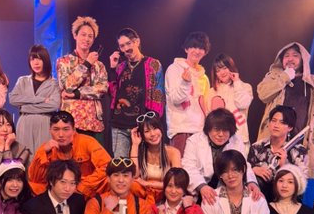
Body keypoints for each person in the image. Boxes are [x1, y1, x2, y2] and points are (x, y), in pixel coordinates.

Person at [257, 42, 314, 177]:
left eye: (295, 55)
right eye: (286, 56)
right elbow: (263, 95)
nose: (290, 59)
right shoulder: (274, 77)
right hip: (274, 142)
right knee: (269, 178)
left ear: (303, 59)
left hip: (303, 146)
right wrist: (285, 77)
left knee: (300, 182)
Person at [181, 108, 261, 205]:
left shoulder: (236, 140)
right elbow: (188, 167)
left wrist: (251, 182)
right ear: (208, 129)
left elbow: (243, 164)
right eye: (216, 129)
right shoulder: (194, 141)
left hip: (226, 189)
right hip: (199, 190)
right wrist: (202, 186)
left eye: (225, 130)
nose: (221, 134)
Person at [107, 28, 165, 158]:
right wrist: (112, 68)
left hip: (142, 126)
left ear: (137, 42)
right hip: (119, 125)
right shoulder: (120, 67)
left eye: (128, 43)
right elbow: (112, 93)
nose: (126, 48)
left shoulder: (153, 64)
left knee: (143, 164)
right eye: (122, 46)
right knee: (122, 165)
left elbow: (158, 95)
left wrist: (150, 125)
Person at [28, 111, 110, 197]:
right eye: (56, 129)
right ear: (50, 131)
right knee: (35, 185)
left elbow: (106, 166)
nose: (60, 135)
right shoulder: (47, 148)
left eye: (66, 129)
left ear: (74, 130)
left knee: (107, 180)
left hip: (86, 191)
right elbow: (34, 178)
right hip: (59, 190)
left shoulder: (88, 142)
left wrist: (82, 186)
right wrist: (44, 152)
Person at [56, 15, 108, 144]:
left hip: (94, 122)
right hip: (72, 120)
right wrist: (86, 64)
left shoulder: (99, 65)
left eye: (90, 36)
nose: (87, 39)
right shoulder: (63, 61)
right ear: (75, 35)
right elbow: (68, 86)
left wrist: (77, 94)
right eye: (83, 35)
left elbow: (102, 89)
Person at [248, 105, 308, 202]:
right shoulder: (257, 147)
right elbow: (244, 173)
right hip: (259, 199)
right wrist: (253, 170)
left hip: (285, 200)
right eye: (273, 120)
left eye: (282, 122)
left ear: (290, 127)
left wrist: (283, 166)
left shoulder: (299, 150)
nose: (276, 125)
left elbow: (301, 184)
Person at [8, 44, 61, 153]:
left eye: (39, 59)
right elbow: (13, 99)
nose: (35, 63)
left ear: (45, 60)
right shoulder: (23, 80)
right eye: (32, 59)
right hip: (25, 124)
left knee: (43, 157)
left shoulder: (54, 83)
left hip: (45, 123)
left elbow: (54, 105)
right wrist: (40, 99)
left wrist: (24, 107)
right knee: (23, 156)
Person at [165, 31, 211, 156]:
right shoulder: (174, 69)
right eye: (194, 47)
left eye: (201, 48)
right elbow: (175, 99)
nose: (197, 51)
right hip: (181, 129)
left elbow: (205, 105)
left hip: (200, 130)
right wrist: (185, 83)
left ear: (205, 52)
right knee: (179, 166)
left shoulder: (204, 77)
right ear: (186, 49)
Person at [204, 53, 253, 150]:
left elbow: (243, 104)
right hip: (218, 140)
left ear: (231, 67)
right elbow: (208, 117)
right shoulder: (211, 92)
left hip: (239, 138)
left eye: (224, 68)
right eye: (218, 70)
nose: (222, 72)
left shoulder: (245, 87)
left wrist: (237, 82)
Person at [129, 111, 181, 204]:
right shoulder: (140, 151)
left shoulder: (173, 152)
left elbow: (177, 182)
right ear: (141, 135)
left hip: (166, 195)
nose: (152, 134)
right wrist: (135, 145)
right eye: (147, 131)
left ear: (161, 129)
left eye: (155, 128)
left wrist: (148, 183)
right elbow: (134, 176)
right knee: (132, 185)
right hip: (144, 195)